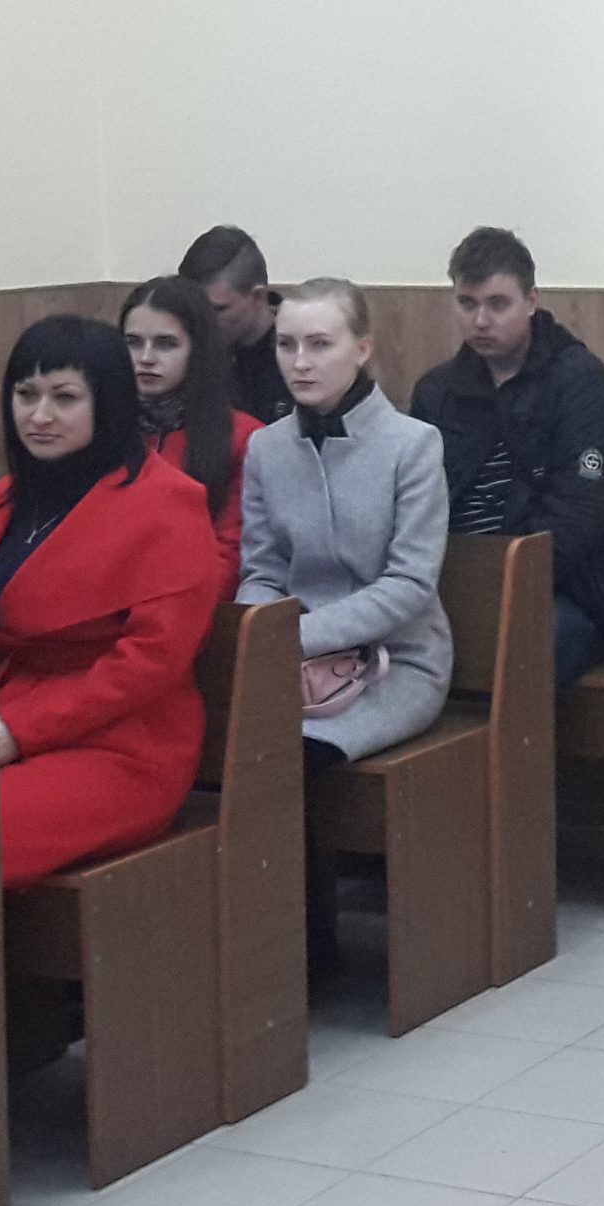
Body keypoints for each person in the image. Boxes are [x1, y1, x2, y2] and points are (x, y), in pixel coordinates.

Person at [0, 318, 222, 892]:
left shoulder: (168, 504)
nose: (40, 415)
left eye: (65, 398)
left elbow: (150, 662)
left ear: (110, 403)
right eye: (25, 395)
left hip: (124, 744)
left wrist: (17, 730)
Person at [238, 278, 454, 981]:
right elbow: (261, 569)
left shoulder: (412, 445)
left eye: (320, 344)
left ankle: (308, 958)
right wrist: (259, 631)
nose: (300, 362)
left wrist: (294, 638)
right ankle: (251, 952)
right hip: (292, 662)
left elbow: (409, 585)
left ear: (362, 349)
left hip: (398, 662)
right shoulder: (267, 448)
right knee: (222, 748)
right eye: (287, 345)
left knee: (287, 757)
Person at [407, 228, 604, 690]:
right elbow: (415, 498)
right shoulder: (437, 391)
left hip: (569, 589)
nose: (480, 320)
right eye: (467, 303)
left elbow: (579, 511)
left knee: (533, 643)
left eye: (497, 304)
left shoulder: (580, 383)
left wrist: (506, 579)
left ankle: (505, 739)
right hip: (456, 580)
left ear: (531, 301)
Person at [122, 276, 261, 596]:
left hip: (197, 602)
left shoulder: (245, 437)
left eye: (166, 344)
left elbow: (232, 552)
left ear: (198, 350)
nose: (145, 358)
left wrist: (161, 601)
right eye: (133, 342)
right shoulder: (101, 430)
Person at [180, 225, 291, 425]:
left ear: (258, 297)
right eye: (192, 308)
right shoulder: (183, 349)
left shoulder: (300, 355)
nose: (201, 321)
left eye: (217, 309)